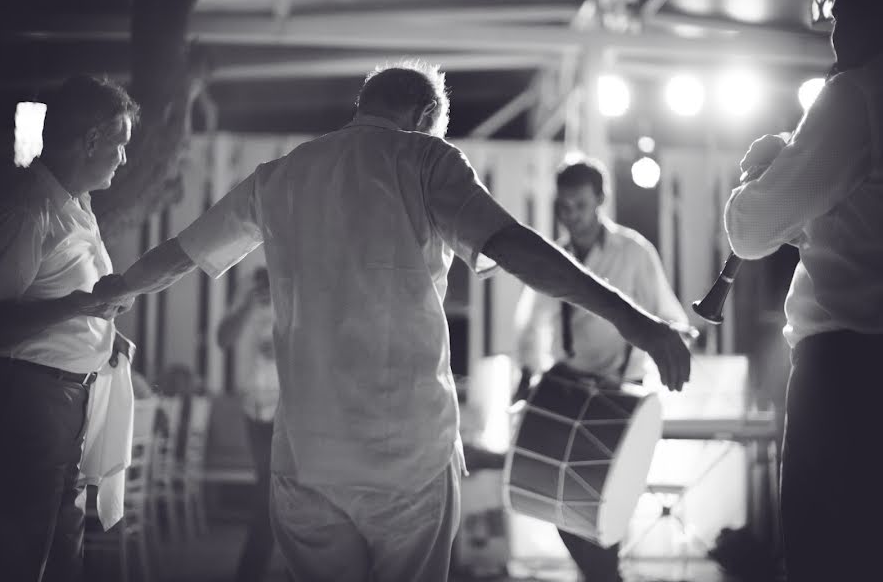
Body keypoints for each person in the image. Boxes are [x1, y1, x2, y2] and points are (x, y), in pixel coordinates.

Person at [92, 61, 691, 582]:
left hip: (307, 459)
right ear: (425, 113)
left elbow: (182, 253)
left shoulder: (281, 176)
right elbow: (516, 248)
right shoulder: (426, 160)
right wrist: (636, 321)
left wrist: (113, 290)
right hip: (409, 458)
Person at [724, 0, 883, 580]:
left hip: (846, 372)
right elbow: (860, 227)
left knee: (828, 556)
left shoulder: (857, 94)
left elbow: (752, 229)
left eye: (844, 12)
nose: (835, 30)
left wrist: (772, 163)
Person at [0, 75, 138, 582]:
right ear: (91, 140)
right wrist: (80, 305)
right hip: (26, 403)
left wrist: (103, 334)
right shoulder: (32, 211)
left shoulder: (77, 208)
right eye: (119, 144)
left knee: (61, 551)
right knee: (23, 552)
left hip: (64, 402)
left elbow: (64, 304)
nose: (122, 158)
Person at [514, 157, 690, 582]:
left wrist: (676, 339)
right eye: (564, 207)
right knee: (558, 503)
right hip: (568, 389)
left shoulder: (634, 252)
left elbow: (667, 313)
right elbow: (529, 325)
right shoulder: (553, 255)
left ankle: (604, 577)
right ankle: (604, 578)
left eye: (580, 205)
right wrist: (527, 376)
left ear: (601, 201)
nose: (571, 216)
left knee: (603, 507)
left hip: (620, 393)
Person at [217, 266, 279, 582]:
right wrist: (248, 306)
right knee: (269, 491)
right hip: (254, 406)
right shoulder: (247, 284)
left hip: (291, 405)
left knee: (272, 492)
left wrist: (284, 346)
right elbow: (222, 338)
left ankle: (250, 571)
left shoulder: (305, 279)